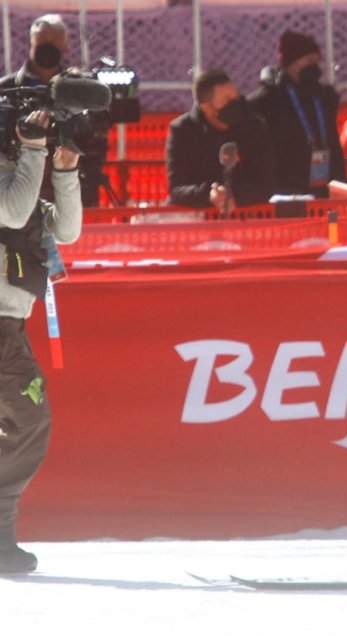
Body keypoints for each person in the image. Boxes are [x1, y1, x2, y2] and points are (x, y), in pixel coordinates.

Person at [0, 110, 83, 574]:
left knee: (19, 425)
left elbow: (66, 231)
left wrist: (65, 169)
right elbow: (11, 210)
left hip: (10, 326)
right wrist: (32, 151)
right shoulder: (13, 176)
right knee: (28, 424)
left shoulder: (23, 176)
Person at [0, 14, 107, 208]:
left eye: (55, 42)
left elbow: (94, 140)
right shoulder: (7, 88)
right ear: (31, 44)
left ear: (66, 46)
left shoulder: (81, 90)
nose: (48, 48)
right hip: (18, 190)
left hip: (72, 188)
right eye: (42, 42)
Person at [248, 30, 347, 198]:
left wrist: (342, 184)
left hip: (323, 188)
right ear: (292, 64)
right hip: (283, 192)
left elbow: (333, 144)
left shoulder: (324, 97)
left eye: (316, 60)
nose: (314, 66)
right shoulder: (266, 101)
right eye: (309, 60)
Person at [166, 69, 276, 212]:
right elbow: (177, 189)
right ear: (206, 107)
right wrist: (209, 195)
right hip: (198, 220)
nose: (235, 103)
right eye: (227, 100)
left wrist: (234, 197)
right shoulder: (182, 131)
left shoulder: (254, 126)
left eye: (235, 97)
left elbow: (267, 183)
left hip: (245, 217)